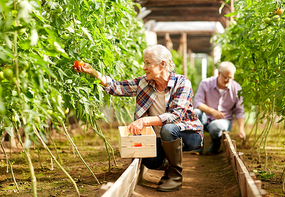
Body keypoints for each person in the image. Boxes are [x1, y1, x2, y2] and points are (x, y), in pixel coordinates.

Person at [73, 44, 203, 192]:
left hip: (188, 134)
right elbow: (117, 87)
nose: (144, 67)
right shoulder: (144, 82)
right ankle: (169, 162)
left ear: (162, 65)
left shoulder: (182, 83)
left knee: (168, 129)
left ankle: (175, 176)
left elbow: (175, 116)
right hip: (161, 138)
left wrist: (145, 120)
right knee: (149, 160)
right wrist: (94, 73)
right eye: (144, 62)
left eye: (148, 63)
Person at [192, 61, 245, 155]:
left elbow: (240, 111)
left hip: (224, 121)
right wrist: (212, 111)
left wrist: (241, 129)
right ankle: (197, 144)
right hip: (206, 117)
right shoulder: (205, 83)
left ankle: (216, 144)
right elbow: (197, 103)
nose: (228, 80)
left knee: (215, 126)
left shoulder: (237, 88)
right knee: (195, 112)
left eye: (231, 78)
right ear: (219, 73)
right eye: (226, 77)